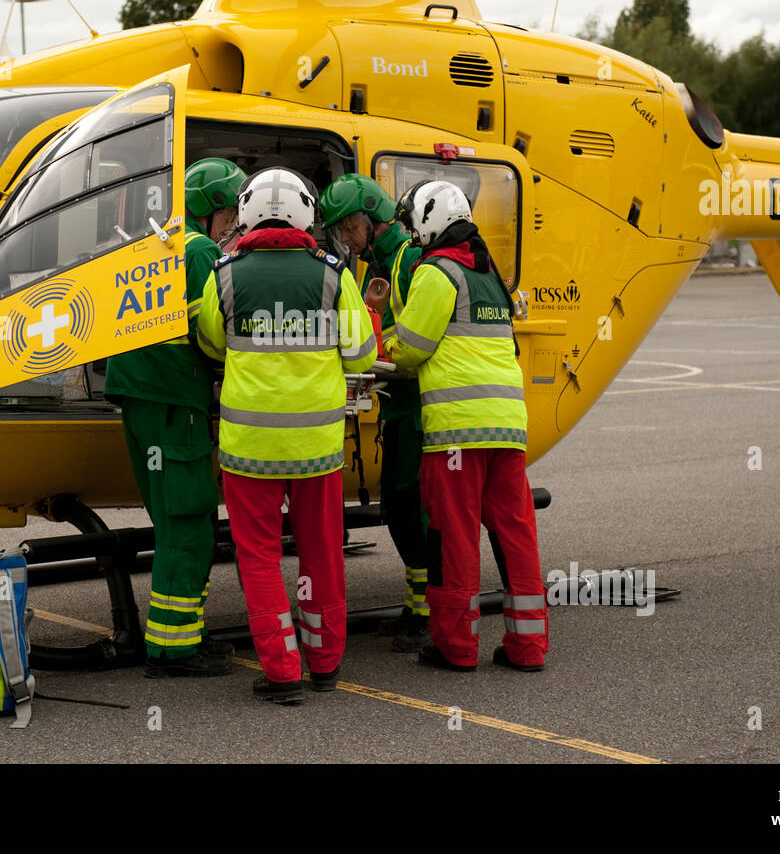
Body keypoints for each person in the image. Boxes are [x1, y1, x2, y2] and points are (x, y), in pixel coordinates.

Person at [197, 167, 377, 704]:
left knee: (259, 558)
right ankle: (324, 662)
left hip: (249, 450)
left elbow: (211, 344)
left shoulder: (224, 273)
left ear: (247, 212)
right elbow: (363, 352)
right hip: (316, 449)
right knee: (321, 553)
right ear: (306, 214)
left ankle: (281, 671)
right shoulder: (332, 274)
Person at [384, 180, 548, 672]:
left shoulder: (438, 272)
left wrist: (382, 344)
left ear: (430, 222)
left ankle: (456, 647)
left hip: (457, 433)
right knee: (516, 536)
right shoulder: (490, 274)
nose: (412, 237)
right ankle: (528, 647)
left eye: (413, 226)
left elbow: (412, 347)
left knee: (452, 537)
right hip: (507, 428)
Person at [102, 157, 245, 678]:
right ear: (210, 209)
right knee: (189, 525)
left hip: (140, 399)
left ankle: (180, 636)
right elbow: (215, 333)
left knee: (169, 521)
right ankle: (174, 650)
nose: (233, 223)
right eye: (229, 211)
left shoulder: (153, 242)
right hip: (173, 400)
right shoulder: (202, 250)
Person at [319, 174, 429, 652]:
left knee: (413, 508)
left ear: (370, 217)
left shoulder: (410, 259)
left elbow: (422, 336)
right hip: (395, 402)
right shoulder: (373, 267)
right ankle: (418, 604)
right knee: (400, 509)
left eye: (347, 227)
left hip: (420, 405)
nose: (344, 238)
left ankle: (429, 611)